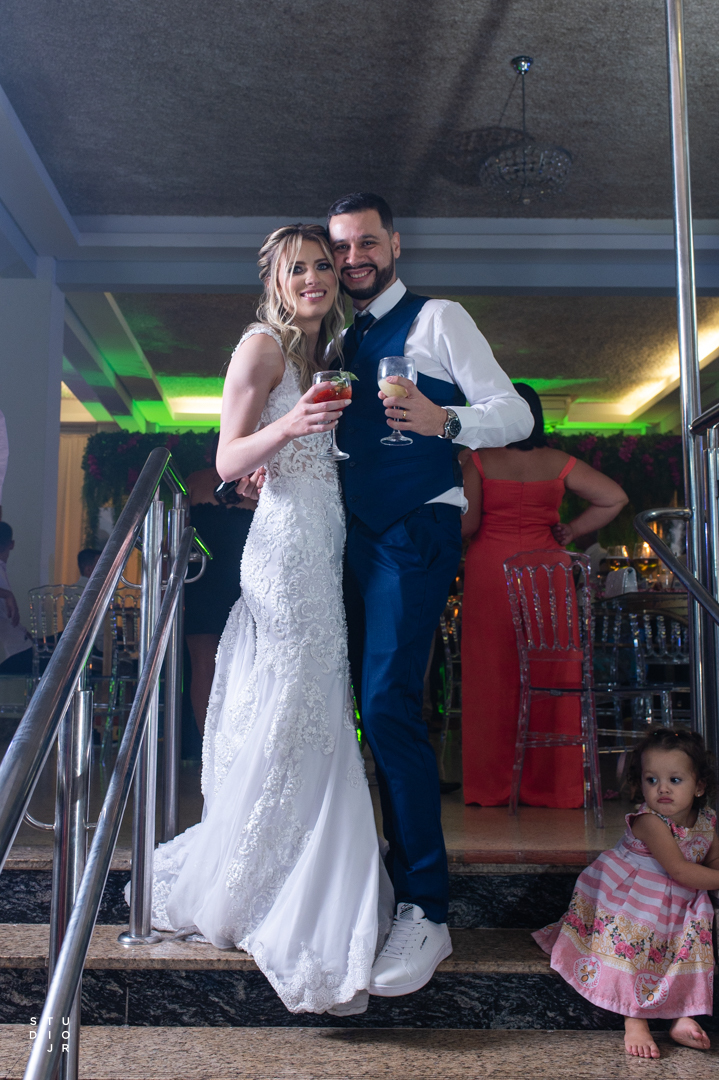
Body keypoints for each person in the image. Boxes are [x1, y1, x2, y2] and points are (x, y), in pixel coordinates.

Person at [137, 223, 392, 1017]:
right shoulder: (261, 347)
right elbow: (224, 460)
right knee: (296, 700)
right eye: (296, 270)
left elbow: (276, 464)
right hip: (283, 552)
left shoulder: (324, 356)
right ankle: (266, 875)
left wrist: (294, 441)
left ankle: (300, 856)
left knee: (312, 704)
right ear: (275, 283)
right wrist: (290, 426)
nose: (313, 278)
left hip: (320, 537)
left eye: (322, 266)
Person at [326, 192, 533, 996]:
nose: (353, 258)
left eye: (366, 243)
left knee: (386, 705)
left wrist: (444, 421)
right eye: (341, 247)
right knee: (345, 705)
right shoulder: (335, 337)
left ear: (394, 244)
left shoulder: (438, 318)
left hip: (414, 525)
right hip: (345, 534)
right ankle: (368, 882)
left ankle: (428, 909)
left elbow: (514, 415)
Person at [460, 383, 628, 807]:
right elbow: (614, 498)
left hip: (490, 571)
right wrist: (572, 530)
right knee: (550, 672)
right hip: (545, 573)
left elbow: (469, 524)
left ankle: (493, 786)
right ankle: (553, 786)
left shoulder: (478, 459)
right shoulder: (557, 462)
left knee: (491, 674)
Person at [534, 728, 718, 1059]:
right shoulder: (649, 821)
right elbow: (679, 870)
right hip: (634, 893)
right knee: (636, 939)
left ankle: (681, 1013)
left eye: (675, 780)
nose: (662, 788)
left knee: (693, 935)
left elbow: (712, 861)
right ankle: (633, 1018)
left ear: (699, 786)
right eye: (651, 780)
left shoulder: (707, 821)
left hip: (680, 896)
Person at [183, 444, 255, 735]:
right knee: (246, 665)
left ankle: (209, 747)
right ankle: (234, 746)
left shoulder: (195, 481)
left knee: (203, 667)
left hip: (204, 582)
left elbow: (175, 540)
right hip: (241, 582)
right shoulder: (260, 484)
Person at [0, 522, 32, 675]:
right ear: (11, 544)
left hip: (16, 644)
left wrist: (22, 630)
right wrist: (8, 594)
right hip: (13, 648)